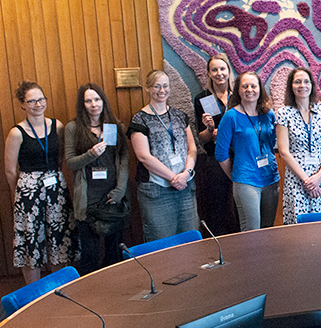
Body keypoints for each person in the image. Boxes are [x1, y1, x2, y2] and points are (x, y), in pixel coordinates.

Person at [4, 81, 75, 284]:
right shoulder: (16, 133)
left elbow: (62, 157)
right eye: (32, 101)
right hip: (28, 191)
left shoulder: (58, 126)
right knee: (31, 242)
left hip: (55, 188)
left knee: (58, 239)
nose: (37, 104)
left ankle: (60, 289)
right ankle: (34, 295)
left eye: (41, 99)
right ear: (23, 105)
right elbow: (9, 171)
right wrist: (17, 196)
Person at [64, 84, 129, 275]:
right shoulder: (73, 128)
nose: (94, 104)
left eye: (97, 99)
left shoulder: (115, 126)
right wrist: (91, 154)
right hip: (87, 198)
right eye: (88, 100)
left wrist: (120, 190)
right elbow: (70, 163)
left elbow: (124, 161)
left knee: (114, 251)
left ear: (103, 101)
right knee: (90, 254)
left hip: (111, 196)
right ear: (82, 104)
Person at [129, 71, 199, 242]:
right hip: (157, 190)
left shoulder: (180, 116)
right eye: (156, 86)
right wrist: (174, 178)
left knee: (191, 239)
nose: (162, 90)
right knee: (162, 242)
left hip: (185, 187)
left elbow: (192, 149)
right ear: (147, 88)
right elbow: (143, 156)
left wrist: (186, 174)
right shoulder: (139, 120)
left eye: (165, 86)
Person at [276, 67, 321, 224]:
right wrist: (307, 181)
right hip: (298, 178)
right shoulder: (284, 113)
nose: (302, 85)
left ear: (312, 85)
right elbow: (284, 151)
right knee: (300, 227)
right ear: (291, 86)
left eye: (306, 81)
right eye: (297, 82)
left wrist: (318, 177)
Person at [215, 72, 278, 230]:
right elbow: (221, 153)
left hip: (271, 178)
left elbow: (273, 143)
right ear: (238, 90)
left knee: (268, 229)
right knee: (252, 232)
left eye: (253, 86)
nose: (249, 89)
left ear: (260, 89)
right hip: (246, 181)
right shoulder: (231, 116)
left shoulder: (269, 114)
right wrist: (236, 177)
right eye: (245, 86)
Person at [191, 54, 239, 235]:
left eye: (222, 69)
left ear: (228, 71)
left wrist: (227, 133)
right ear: (209, 74)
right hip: (215, 160)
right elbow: (202, 138)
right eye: (214, 70)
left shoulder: (239, 94)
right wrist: (210, 129)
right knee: (217, 209)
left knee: (239, 205)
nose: (219, 73)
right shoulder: (203, 98)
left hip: (240, 156)